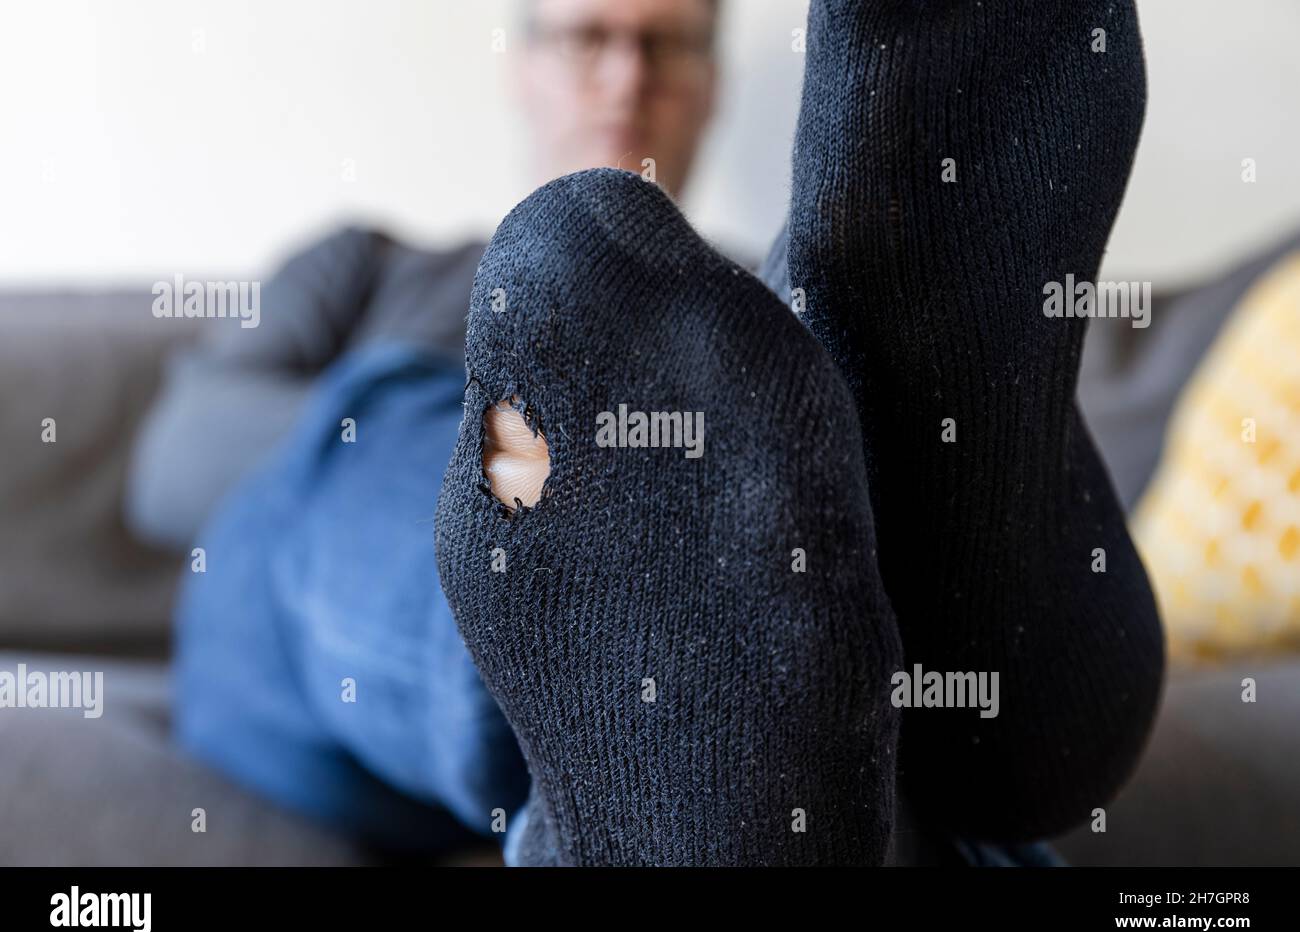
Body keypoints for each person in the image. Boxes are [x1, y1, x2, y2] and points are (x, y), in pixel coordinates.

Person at [130, 0, 1165, 865]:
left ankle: (911, 566)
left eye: (666, 47)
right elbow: (174, 460)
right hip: (294, 622)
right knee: (432, 453)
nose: (626, 80)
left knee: (789, 671)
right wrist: (501, 457)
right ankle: (594, 582)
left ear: (711, 84)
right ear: (523, 68)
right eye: (589, 37)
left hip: (701, 667)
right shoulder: (370, 263)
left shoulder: (768, 302)